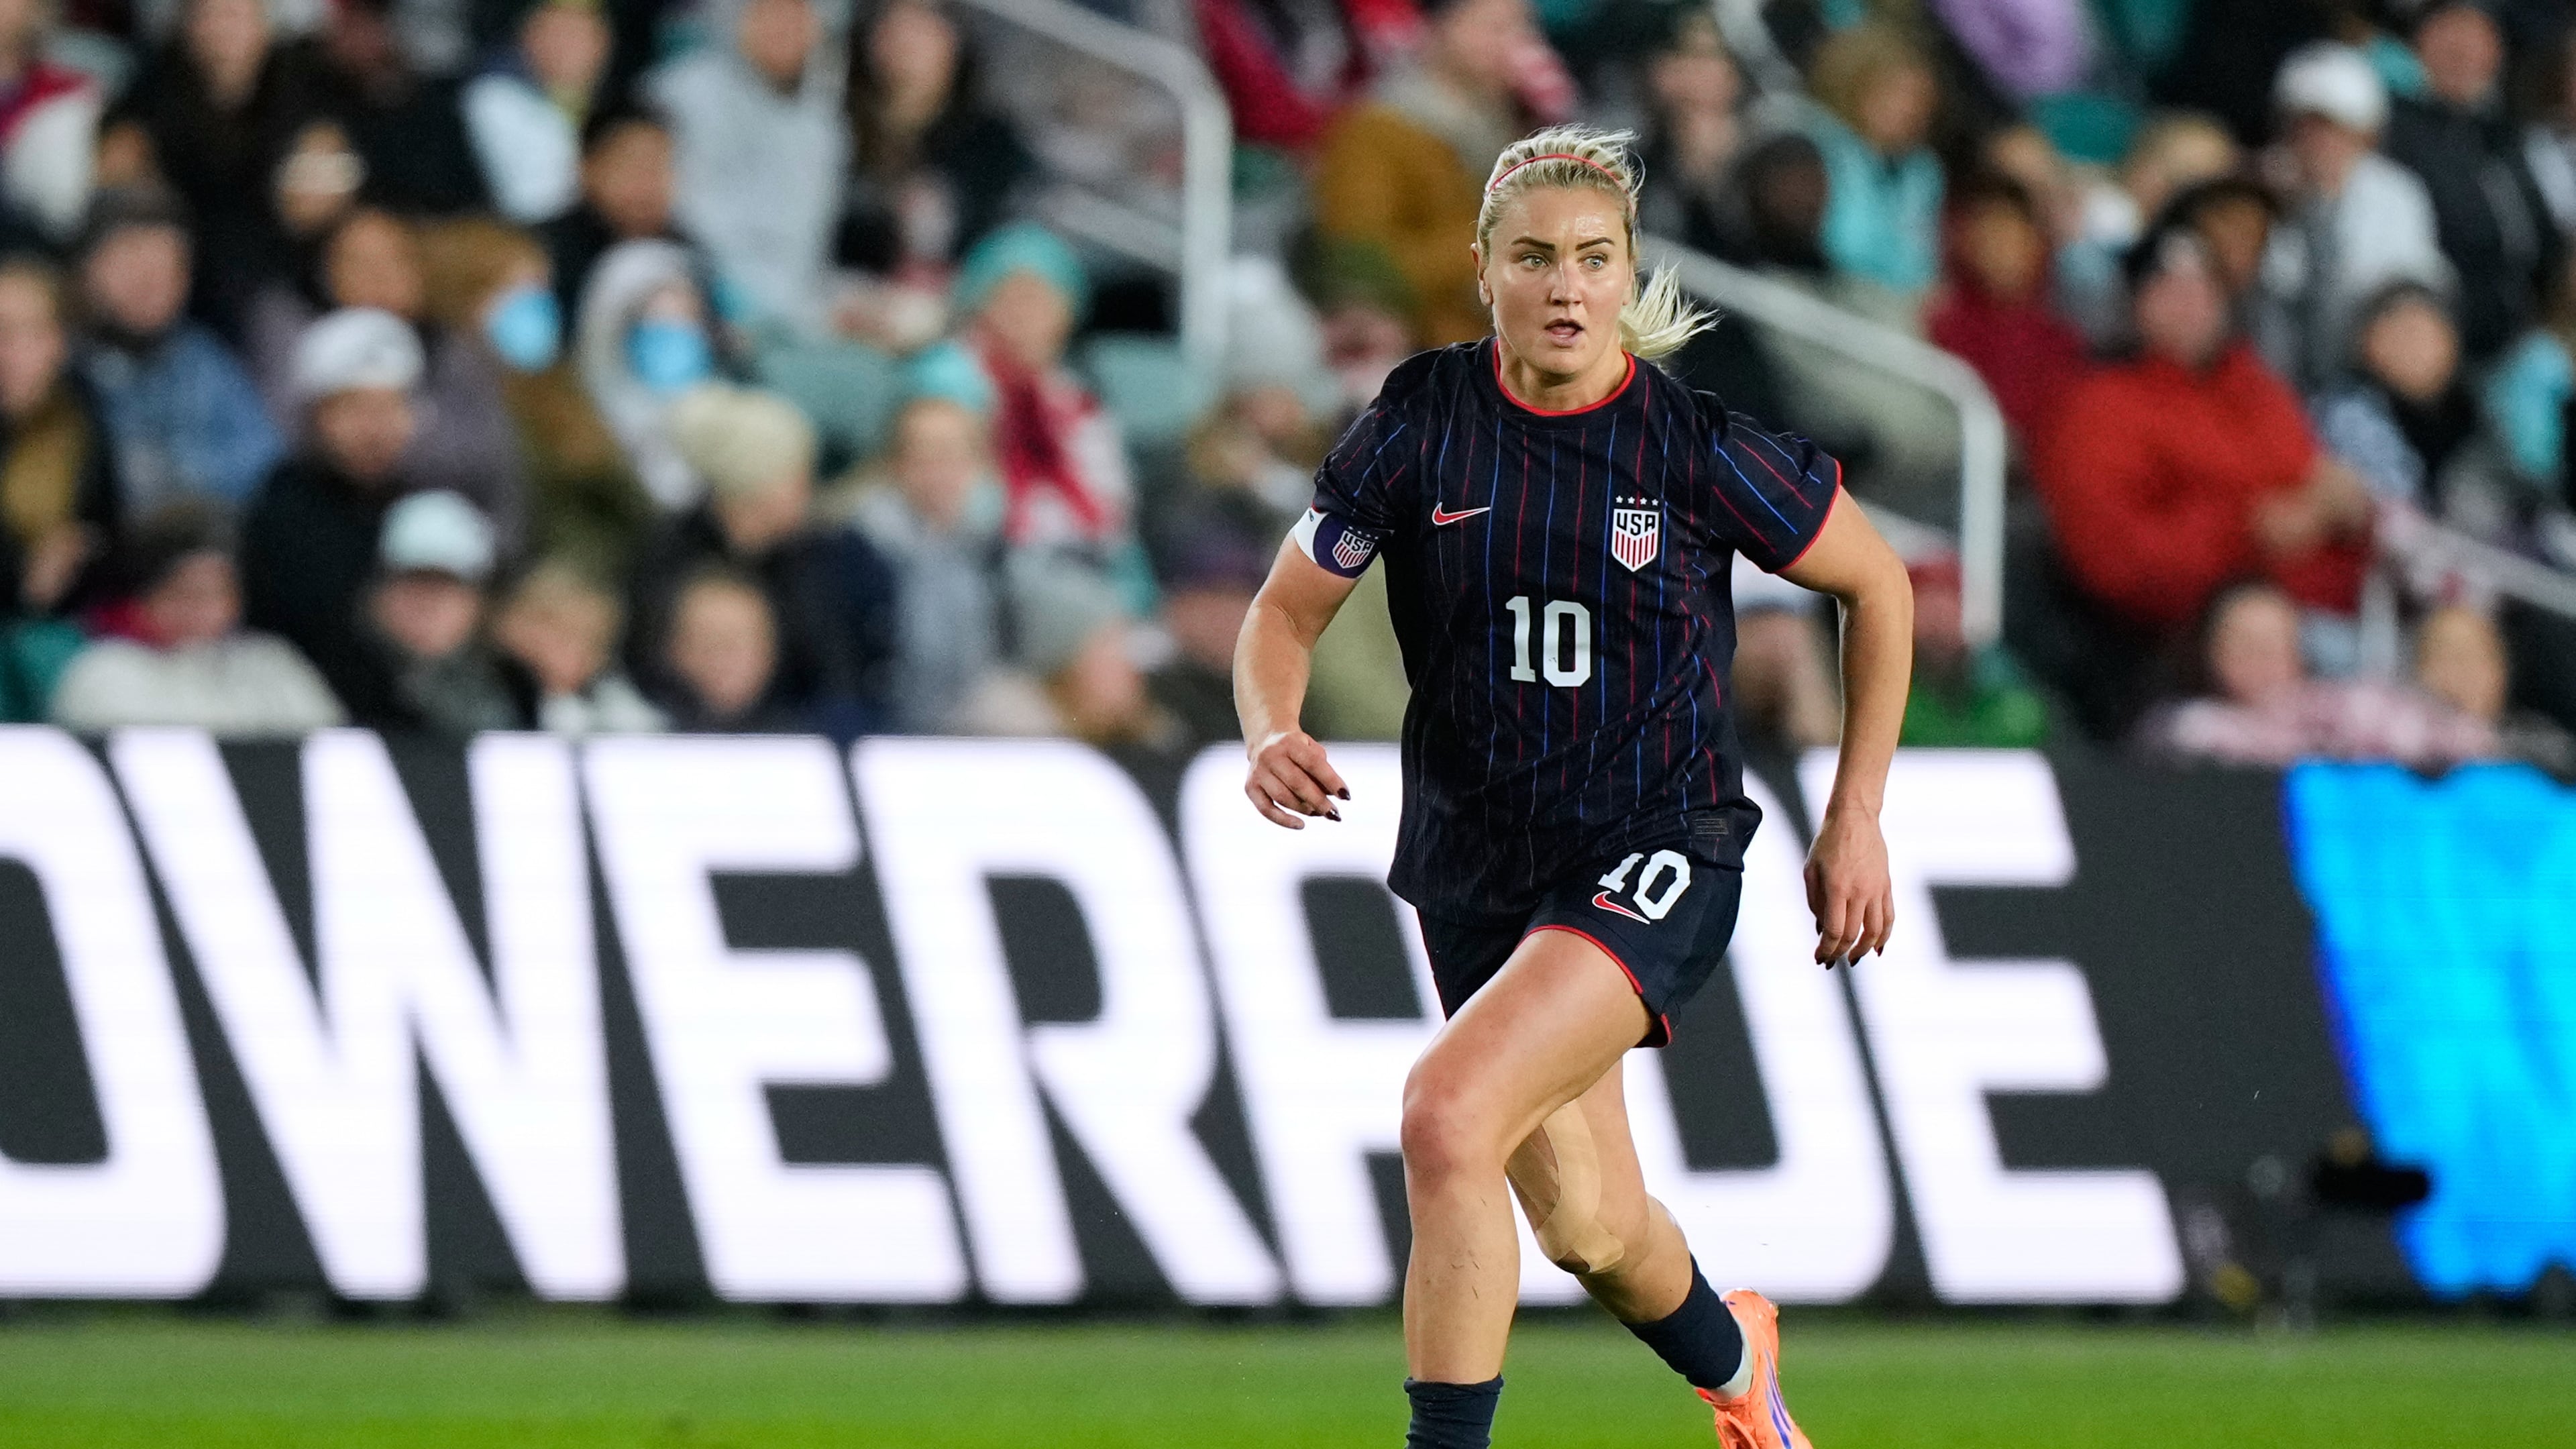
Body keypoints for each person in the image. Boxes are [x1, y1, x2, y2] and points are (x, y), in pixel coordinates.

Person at [1234, 125, 1911, 1449]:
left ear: (1627, 275)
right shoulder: (1419, 422)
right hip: (1480, 862)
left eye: (1595, 259)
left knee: (1447, 1114)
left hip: (1656, 841)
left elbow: (1877, 584)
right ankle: (1743, 1376)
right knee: (1592, 1229)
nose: (1566, 286)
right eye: (1535, 257)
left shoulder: (1689, 444)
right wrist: (1270, 729)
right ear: (1483, 269)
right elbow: (1282, 612)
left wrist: (1857, 814)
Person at [2036, 221, 2372, 655]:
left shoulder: (2260, 388)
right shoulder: (2100, 408)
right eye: (2171, 292)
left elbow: (2318, 494)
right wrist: (2248, 532)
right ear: (2136, 305)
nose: (2191, 306)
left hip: (2329, 617)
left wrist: (2347, 512)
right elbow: (2114, 563)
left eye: (2204, 290)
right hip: (2190, 642)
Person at [625, 382, 898, 737]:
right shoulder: (668, 558)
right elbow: (647, 665)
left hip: (803, 741)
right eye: (795, 475)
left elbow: (846, 673)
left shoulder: (831, 555)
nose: (807, 488)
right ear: (755, 485)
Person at [1312, 0, 1536, 347]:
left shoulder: (1501, 120)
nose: (1514, 44)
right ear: (1437, 28)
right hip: (1426, 345)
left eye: (1521, 28)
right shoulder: (1376, 131)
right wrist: (1500, 241)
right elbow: (1363, 267)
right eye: (1494, 28)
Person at [237, 306, 427, 716]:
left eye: (391, 408)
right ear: (317, 417)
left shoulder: (421, 508)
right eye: (356, 409)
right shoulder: (284, 512)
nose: (376, 430)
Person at [75, 186, 285, 518]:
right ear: (88, 271)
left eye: (167, 265)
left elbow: (264, 467)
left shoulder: (203, 361)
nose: (149, 281)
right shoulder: (59, 363)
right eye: (130, 261)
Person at [48, 500, 343, 733]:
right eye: (185, 594)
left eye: (218, 594)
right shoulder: (104, 673)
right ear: (144, 599)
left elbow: (330, 746)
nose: (203, 612)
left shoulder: (271, 665)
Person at [2137, 578, 2493, 767]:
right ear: (2212, 655)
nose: (2262, 657)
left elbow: (2456, 744)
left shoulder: (2338, 708)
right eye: (2246, 643)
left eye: (2276, 642)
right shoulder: (2187, 730)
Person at [2265, 42, 2452, 393]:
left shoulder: (2396, 192)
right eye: (2307, 127)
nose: (2321, 142)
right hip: (2282, 372)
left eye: (2336, 129)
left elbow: (2413, 282)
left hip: (2368, 373)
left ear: (2366, 135)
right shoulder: (2262, 189)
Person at [649, 0, 843, 339]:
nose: (784, 27)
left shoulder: (824, 121)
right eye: (769, 11)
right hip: (690, 305)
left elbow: (809, 253)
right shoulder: (679, 96)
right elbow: (680, 219)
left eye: (798, 14)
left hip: (798, 318)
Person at [843, 353, 1011, 733]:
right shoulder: (859, 548)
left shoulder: (987, 543)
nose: (939, 471)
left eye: (952, 454)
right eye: (924, 456)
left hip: (966, 718)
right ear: (895, 464)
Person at [2381, 1, 2555, 366]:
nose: (2464, 53)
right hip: (2444, 342)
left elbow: (2542, 240)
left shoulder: (2503, 137)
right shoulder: (2396, 130)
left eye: (2479, 39)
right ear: (2421, 42)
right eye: (2451, 35)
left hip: (2524, 336)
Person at [1926, 171, 2090, 450]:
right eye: (1988, 237)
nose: (1999, 251)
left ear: (2038, 244)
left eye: (2011, 237)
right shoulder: (1943, 325)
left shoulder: (2064, 342)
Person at [350, 486, 519, 735]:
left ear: (478, 602)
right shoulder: (337, 684)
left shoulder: (516, 689)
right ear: (380, 594)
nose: (427, 606)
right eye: (414, 583)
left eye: (445, 587)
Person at [0, 258, 116, 619]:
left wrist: (72, 555)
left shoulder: (82, 417)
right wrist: (22, 575)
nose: (6, 352)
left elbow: (108, 537)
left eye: (21, 333)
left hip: (60, 625)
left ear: (58, 343)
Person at [1803, 22, 1945, 301]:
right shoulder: (1814, 141)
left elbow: (1921, 263)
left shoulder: (1924, 171)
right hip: (1822, 288)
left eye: (1918, 99)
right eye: (1895, 93)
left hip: (1895, 302)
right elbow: (1844, 242)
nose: (1908, 108)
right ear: (1858, 84)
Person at [462, 0, 612, 226]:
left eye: (581, 34)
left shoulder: (612, 101)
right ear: (526, 37)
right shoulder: (493, 96)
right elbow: (533, 199)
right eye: (558, 33)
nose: (568, 47)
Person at [490, 557, 667, 735]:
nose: (577, 656)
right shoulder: (495, 691)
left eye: (595, 645)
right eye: (564, 635)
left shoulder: (608, 700)